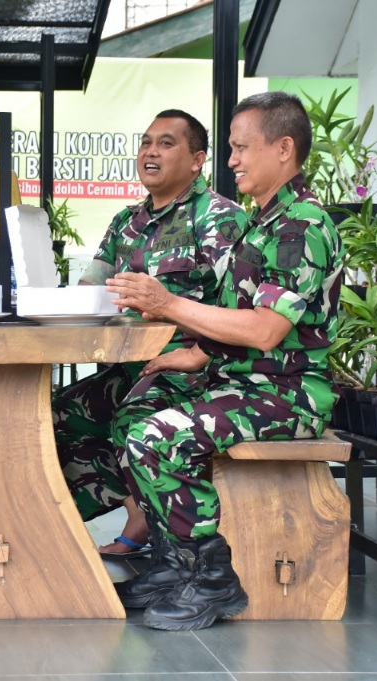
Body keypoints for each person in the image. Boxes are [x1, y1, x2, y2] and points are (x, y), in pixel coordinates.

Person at [101, 91, 344, 631]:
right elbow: (241, 315)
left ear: (283, 149)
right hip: (237, 380)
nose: (231, 159)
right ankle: (173, 561)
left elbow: (265, 330)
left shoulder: (300, 226)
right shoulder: (262, 221)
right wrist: (197, 353)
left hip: (287, 394)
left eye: (240, 147)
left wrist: (166, 304)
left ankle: (211, 577)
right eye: (229, 148)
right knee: (130, 414)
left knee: (157, 436)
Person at [51, 109, 248, 558]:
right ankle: (135, 510)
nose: (150, 152)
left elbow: (239, 309)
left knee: (131, 419)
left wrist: (200, 350)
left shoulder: (220, 219)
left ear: (197, 159)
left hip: (195, 372)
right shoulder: (126, 222)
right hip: (134, 366)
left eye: (165, 143)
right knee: (60, 418)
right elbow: (90, 289)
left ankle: (170, 546)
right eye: (145, 143)